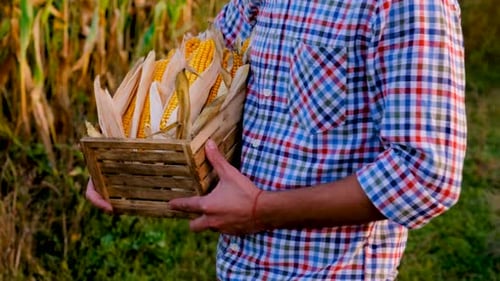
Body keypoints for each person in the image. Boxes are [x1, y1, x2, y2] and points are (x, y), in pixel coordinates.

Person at [87, 0, 467, 279]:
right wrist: (126, 150)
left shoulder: (411, 5)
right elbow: (206, 64)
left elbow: (426, 175)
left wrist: (260, 210)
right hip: (239, 267)